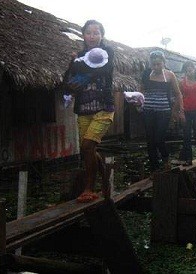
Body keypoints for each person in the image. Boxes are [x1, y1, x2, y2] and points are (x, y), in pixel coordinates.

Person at [62, 20, 114, 203]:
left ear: (102, 35)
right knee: (89, 150)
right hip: (83, 110)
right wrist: (73, 63)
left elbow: (101, 69)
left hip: (104, 109)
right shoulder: (78, 56)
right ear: (83, 35)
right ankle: (105, 182)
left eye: (96, 32)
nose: (92, 36)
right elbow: (68, 77)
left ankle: (89, 188)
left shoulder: (107, 53)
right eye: (89, 33)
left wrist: (78, 65)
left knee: (87, 147)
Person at [140, 50, 185, 172]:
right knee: (150, 140)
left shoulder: (170, 75)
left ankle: (165, 159)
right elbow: (141, 91)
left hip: (164, 112)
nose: (156, 67)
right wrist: (138, 102)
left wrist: (178, 111)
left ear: (164, 63)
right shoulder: (146, 74)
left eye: (158, 64)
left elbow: (178, 94)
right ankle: (154, 169)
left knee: (159, 138)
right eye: (153, 64)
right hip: (148, 111)